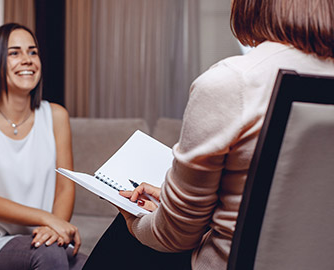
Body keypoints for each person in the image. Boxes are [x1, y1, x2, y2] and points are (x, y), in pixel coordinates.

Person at [83, 0, 334, 269]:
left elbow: (174, 236)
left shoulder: (233, 81)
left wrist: (135, 222)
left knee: (125, 234)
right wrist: (172, 201)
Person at [0, 23, 86, 270]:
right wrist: (47, 219)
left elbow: (65, 187)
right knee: (50, 255)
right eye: (14, 53)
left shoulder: (56, 115)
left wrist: (52, 228)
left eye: (33, 52)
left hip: (43, 238)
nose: (27, 60)